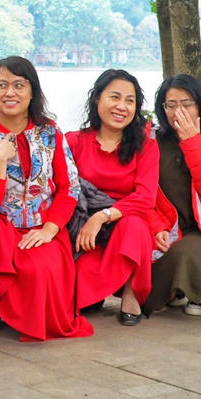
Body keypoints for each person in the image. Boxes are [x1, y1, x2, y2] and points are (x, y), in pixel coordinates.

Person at [0, 57, 93, 341]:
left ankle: (19, 315)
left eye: (18, 85)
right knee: (3, 251)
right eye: (1, 85)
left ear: (32, 91)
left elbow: (69, 187)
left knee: (41, 268)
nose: (9, 93)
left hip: (44, 225)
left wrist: (50, 229)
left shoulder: (50, 133)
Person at [67, 69, 159, 326]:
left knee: (135, 225)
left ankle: (131, 293)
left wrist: (103, 215)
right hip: (83, 231)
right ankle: (93, 294)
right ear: (97, 99)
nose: (122, 106)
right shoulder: (74, 142)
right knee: (74, 293)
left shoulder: (146, 146)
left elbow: (145, 197)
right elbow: (63, 190)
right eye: (114, 97)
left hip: (125, 227)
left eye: (130, 101)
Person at [144, 74, 201, 316]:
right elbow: (140, 189)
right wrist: (155, 226)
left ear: (200, 106)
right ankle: (172, 290)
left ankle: (198, 288)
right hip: (160, 226)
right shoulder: (151, 141)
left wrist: (192, 141)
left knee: (189, 254)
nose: (178, 112)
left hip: (200, 231)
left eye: (186, 104)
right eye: (171, 105)